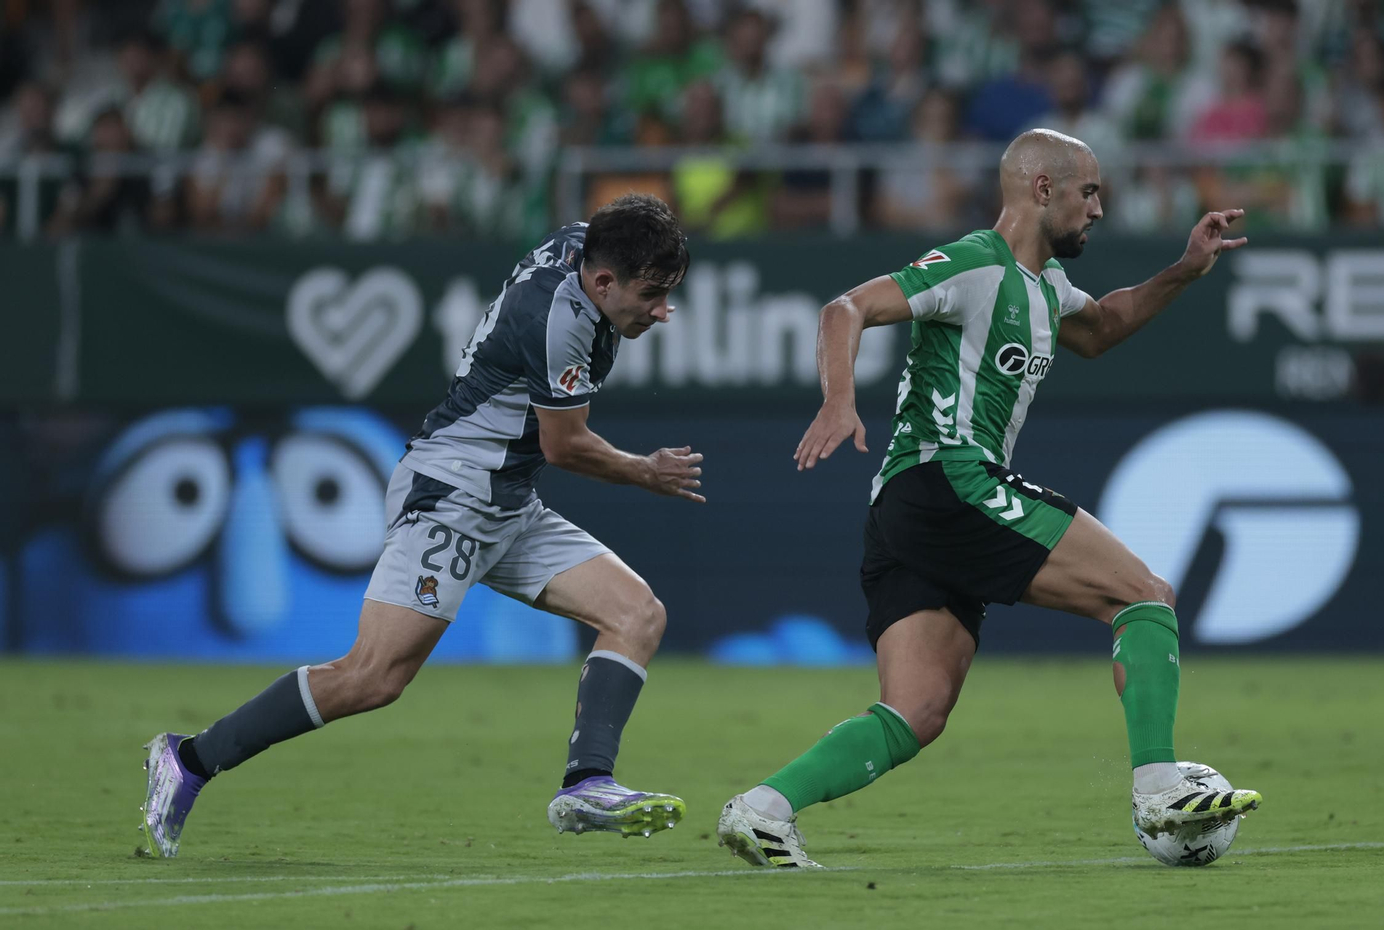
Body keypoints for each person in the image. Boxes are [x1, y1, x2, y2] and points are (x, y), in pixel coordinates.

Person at [715, 129, 1262, 868]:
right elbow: (845, 308)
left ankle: (763, 809)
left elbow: (1102, 328)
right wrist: (839, 399)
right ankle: (1161, 788)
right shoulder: (974, 263)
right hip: (950, 479)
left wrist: (1184, 271)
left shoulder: (1048, 286)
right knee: (1144, 596)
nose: (1099, 208)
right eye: (1089, 192)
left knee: (917, 711)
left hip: (905, 510)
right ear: (1043, 189)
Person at [141, 193, 703, 857]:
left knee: (637, 614)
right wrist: (645, 470)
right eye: (652, 295)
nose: (662, 311)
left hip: (506, 499)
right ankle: (189, 758)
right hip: (451, 494)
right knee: (372, 677)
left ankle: (587, 783)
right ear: (603, 281)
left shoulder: (587, 246)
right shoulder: (559, 321)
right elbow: (565, 446)